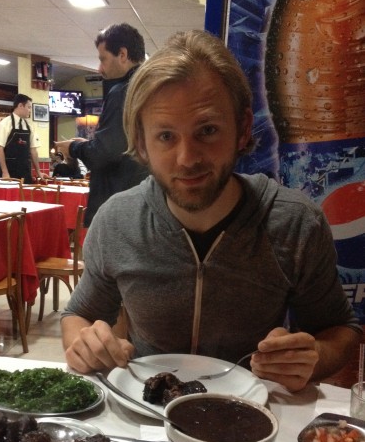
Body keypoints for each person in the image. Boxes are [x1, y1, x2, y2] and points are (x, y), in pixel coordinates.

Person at [61, 29, 361, 393]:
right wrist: (85, 344)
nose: (187, 159)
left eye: (207, 130)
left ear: (242, 128)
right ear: (141, 143)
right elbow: (78, 314)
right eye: (166, 136)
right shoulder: (117, 221)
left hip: (250, 416)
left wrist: (313, 355)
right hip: (145, 410)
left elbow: (341, 330)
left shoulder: (296, 222)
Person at [55, 23, 149, 226]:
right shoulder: (150, 88)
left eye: (103, 59)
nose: (100, 68)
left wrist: (73, 147)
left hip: (116, 206)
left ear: (122, 54)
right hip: (141, 201)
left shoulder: (124, 92)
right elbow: (121, 145)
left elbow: (104, 155)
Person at [0, 93, 46, 184]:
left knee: (26, 196)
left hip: (25, 170)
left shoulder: (30, 125)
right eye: (29, 107)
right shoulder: (5, 123)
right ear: (20, 105)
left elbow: (33, 150)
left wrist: (38, 172)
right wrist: (5, 172)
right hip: (9, 170)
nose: (30, 110)